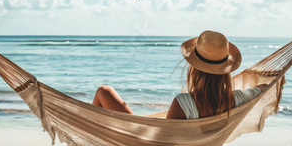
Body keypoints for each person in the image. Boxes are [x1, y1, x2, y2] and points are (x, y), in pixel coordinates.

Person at [92, 31, 267, 119]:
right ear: (225, 73)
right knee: (105, 92)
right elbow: (263, 88)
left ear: (194, 69)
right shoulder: (236, 99)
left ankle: (91, 133)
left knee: (104, 91)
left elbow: (166, 140)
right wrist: (267, 81)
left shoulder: (182, 102)